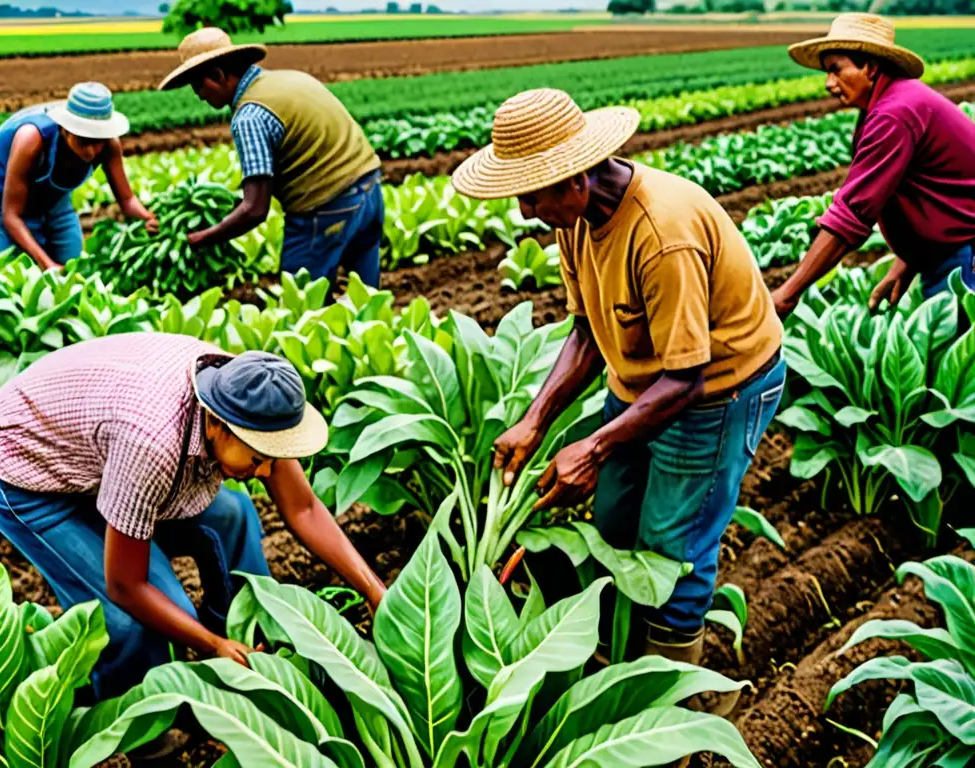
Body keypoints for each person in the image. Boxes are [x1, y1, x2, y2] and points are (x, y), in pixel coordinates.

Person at [452, 89, 785, 669]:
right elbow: (585, 332)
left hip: (716, 391)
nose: (525, 210)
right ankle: (612, 664)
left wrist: (596, 444)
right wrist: (535, 421)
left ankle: (669, 706)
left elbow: (685, 380)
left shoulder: (662, 234)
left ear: (575, 178)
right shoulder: (575, 219)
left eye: (530, 193)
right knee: (611, 525)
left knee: (670, 552)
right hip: (640, 382)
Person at [0, 334, 387, 705]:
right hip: (23, 470)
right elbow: (126, 584)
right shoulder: (153, 443)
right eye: (257, 459)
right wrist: (208, 644)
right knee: (130, 623)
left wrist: (374, 590)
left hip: (99, 454)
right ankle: (146, 734)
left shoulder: (249, 395)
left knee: (233, 516)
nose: (266, 473)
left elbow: (304, 508)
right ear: (217, 423)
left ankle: (249, 638)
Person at [771, 13, 975, 317]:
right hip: (950, 250)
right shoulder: (894, 103)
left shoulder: (894, 113)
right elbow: (930, 192)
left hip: (964, 252)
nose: (828, 83)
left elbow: (853, 214)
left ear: (870, 67)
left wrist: (788, 293)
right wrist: (907, 260)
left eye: (836, 70)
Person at [159, 28, 384, 290]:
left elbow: (255, 209)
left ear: (218, 76)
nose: (198, 94)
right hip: (370, 187)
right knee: (367, 297)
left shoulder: (249, 116)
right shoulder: (289, 79)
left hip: (326, 206)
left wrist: (200, 239)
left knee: (301, 304)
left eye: (198, 84)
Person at [0, 82, 157, 271]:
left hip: (49, 195)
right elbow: (11, 216)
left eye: (97, 142)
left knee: (73, 261)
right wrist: (47, 264)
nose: (91, 152)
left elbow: (127, 198)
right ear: (65, 131)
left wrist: (148, 218)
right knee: (3, 269)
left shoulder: (109, 146)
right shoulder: (32, 139)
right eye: (83, 142)